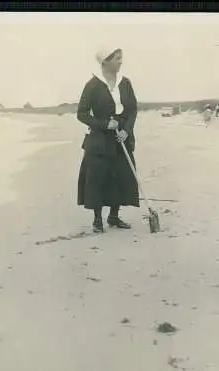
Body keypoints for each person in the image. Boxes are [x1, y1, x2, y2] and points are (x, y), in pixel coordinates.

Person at [76, 47, 140, 233]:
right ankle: (97, 220)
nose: (121, 62)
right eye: (117, 58)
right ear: (105, 61)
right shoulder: (93, 85)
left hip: (121, 138)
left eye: (121, 58)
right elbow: (81, 114)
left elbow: (132, 110)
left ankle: (114, 216)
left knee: (120, 175)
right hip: (99, 141)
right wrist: (105, 124)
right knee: (98, 178)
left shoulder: (125, 83)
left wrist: (126, 131)